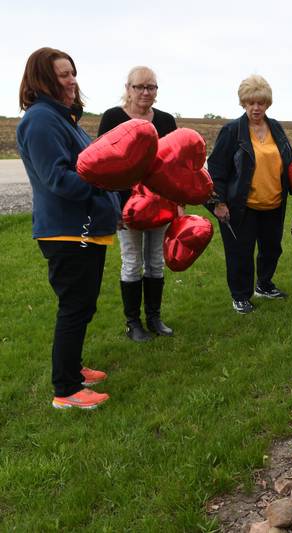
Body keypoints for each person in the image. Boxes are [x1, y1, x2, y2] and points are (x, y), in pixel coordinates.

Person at [16, 47, 120, 409]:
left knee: (82, 305)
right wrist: (106, 184)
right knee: (74, 307)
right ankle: (66, 390)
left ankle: (73, 368)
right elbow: (58, 178)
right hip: (67, 230)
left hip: (84, 229)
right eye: (63, 75)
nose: (72, 80)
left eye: (73, 72)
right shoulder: (41, 120)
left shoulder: (64, 118)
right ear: (42, 79)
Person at [98, 66, 178, 342]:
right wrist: (113, 206)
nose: (145, 92)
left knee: (156, 260)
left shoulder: (166, 121)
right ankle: (133, 322)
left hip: (160, 203)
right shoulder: (113, 118)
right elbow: (103, 163)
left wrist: (178, 204)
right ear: (128, 88)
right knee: (132, 262)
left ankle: (154, 317)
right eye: (139, 87)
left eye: (151, 87)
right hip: (126, 204)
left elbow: (173, 165)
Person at [206, 74, 292, 314]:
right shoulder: (232, 130)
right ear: (243, 103)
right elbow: (216, 169)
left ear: (268, 103)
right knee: (240, 254)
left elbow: (290, 162)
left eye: (261, 102)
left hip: (274, 203)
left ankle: (264, 285)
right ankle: (240, 296)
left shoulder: (275, 127)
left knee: (272, 249)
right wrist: (218, 202)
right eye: (251, 102)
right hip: (241, 205)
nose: (256, 108)